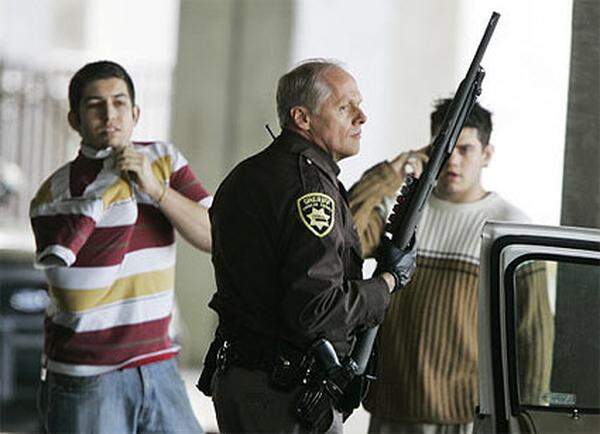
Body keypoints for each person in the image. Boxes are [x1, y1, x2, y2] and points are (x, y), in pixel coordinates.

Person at [203, 59, 417, 433]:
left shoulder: (249, 173)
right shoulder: (310, 190)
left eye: (359, 104)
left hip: (243, 379)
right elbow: (315, 311)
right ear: (302, 118)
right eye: (344, 107)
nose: (361, 117)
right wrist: (386, 282)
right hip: (282, 397)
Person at [349, 99, 554, 434]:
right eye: (445, 148)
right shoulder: (400, 212)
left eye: (466, 149)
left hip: (464, 417)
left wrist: (526, 423)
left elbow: (533, 336)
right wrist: (390, 174)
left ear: (487, 154)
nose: (453, 160)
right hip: (390, 408)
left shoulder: (511, 228)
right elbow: (343, 240)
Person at [29, 60, 210, 433]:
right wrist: (111, 190)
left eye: (119, 102)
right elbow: (78, 299)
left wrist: (155, 189)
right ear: (75, 120)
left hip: (160, 366)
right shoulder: (55, 195)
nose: (109, 114)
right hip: (89, 376)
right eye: (95, 105)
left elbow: (214, 236)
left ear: (135, 112)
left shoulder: (162, 160)